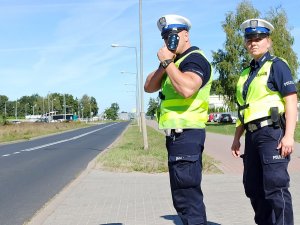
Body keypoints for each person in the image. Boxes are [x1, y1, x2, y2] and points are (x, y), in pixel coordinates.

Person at [144, 14, 212, 225]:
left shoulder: (195, 59)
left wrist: (167, 62)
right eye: (165, 37)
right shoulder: (174, 63)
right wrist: (166, 64)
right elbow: (149, 87)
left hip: (188, 134)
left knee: (188, 199)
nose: (168, 41)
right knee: (182, 199)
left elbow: (187, 88)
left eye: (172, 35)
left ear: (186, 35)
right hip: (176, 138)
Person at [231, 18, 297, 225]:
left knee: (275, 187)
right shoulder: (245, 73)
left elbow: (291, 100)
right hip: (251, 136)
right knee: (253, 187)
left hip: (272, 133)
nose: (253, 42)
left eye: (258, 38)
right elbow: (244, 108)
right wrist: (236, 138)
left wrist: (289, 136)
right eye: (249, 39)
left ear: (268, 41)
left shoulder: (277, 65)